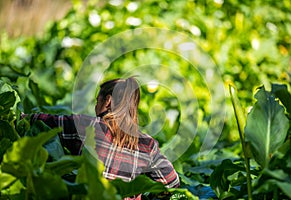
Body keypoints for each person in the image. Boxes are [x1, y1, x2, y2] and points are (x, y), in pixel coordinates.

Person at [28, 77, 180, 200]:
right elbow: (172, 183)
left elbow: (38, 120)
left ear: (107, 101)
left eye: (97, 101)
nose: (95, 107)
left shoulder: (86, 126)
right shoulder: (147, 144)